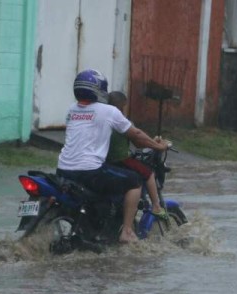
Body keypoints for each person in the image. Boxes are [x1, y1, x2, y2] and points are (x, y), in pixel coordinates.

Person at [57, 69, 169, 244]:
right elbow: (137, 135)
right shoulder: (109, 111)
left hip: (63, 170)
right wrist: (158, 145)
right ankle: (127, 231)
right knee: (134, 181)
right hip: (90, 171)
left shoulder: (71, 110)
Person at [106, 91, 169, 221]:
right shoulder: (122, 121)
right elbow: (138, 141)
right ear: (123, 106)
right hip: (121, 159)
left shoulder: (103, 119)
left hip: (106, 162)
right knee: (148, 173)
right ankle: (156, 206)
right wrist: (156, 143)